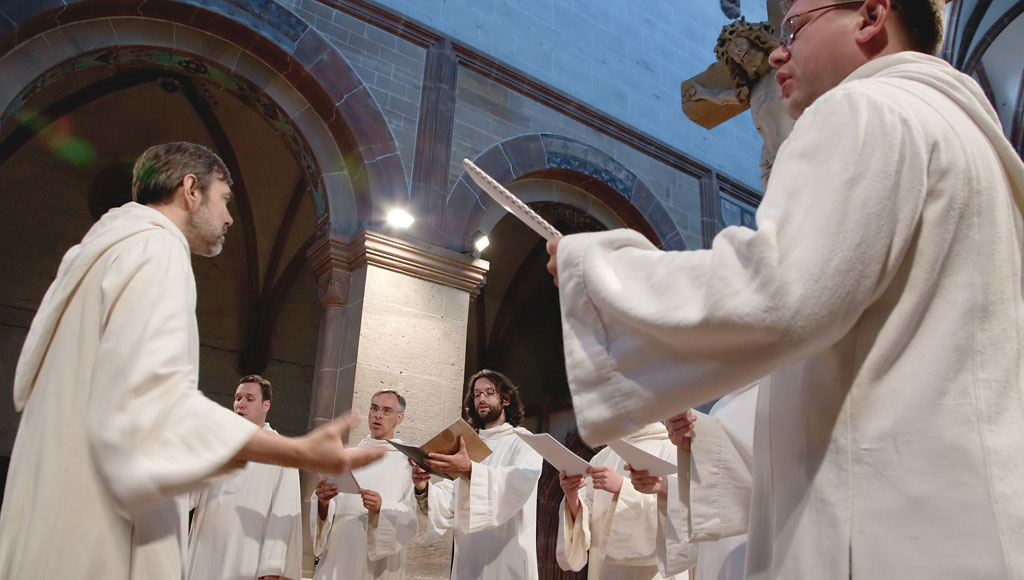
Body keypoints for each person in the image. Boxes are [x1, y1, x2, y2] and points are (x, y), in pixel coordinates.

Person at [546, 0, 1024, 577]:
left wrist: (599, 273)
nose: (778, 53)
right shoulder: (969, 140)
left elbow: (780, 291)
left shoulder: (864, 105)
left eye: (794, 28)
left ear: (871, 17)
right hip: (954, 522)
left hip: (880, 534)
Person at [0, 142, 384, 580]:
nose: (229, 218)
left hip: (57, 515)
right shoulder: (157, 249)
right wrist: (298, 451)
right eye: (224, 199)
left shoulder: (96, 254)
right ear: (190, 190)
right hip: (97, 530)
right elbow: (158, 398)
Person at [413, 369, 543, 579]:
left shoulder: (523, 441)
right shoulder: (468, 445)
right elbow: (451, 496)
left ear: (506, 399)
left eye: (489, 393)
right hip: (468, 559)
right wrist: (422, 488)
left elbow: (521, 479)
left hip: (507, 556)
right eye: (476, 394)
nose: (481, 398)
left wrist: (471, 469)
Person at [629, 383, 758, 580]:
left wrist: (704, 436)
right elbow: (716, 494)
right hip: (717, 557)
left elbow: (777, 477)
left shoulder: (781, 391)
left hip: (756, 550)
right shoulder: (720, 407)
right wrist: (666, 487)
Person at [187, 375, 303, 580]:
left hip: (246, 557)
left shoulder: (280, 451)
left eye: (249, 399)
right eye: (237, 398)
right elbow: (189, 495)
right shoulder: (218, 443)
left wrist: (272, 567)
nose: (240, 404)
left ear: (266, 405)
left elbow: (283, 512)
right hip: (205, 551)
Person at [557, 422, 693, 580]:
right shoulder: (602, 457)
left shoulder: (673, 450)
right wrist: (572, 495)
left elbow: (683, 514)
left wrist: (622, 488)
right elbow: (586, 520)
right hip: (606, 572)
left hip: (653, 572)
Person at [311, 389, 418, 580]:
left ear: (399, 418)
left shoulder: (408, 462)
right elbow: (325, 513)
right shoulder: (346, 457)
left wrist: (381, 507)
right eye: (374, 408)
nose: (378, 415)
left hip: (379, 563)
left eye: (386, 411)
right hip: (338, 555)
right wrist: (323, 503)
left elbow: (414, 514)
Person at [681, 19, 795, 187]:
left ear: (756, 40)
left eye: (740, 46)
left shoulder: (786, 70)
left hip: (801, 147)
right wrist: (702, 93)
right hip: (775, 167)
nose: (740, 53)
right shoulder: (753, 92)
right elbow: (723, 98)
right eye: (737, 55)